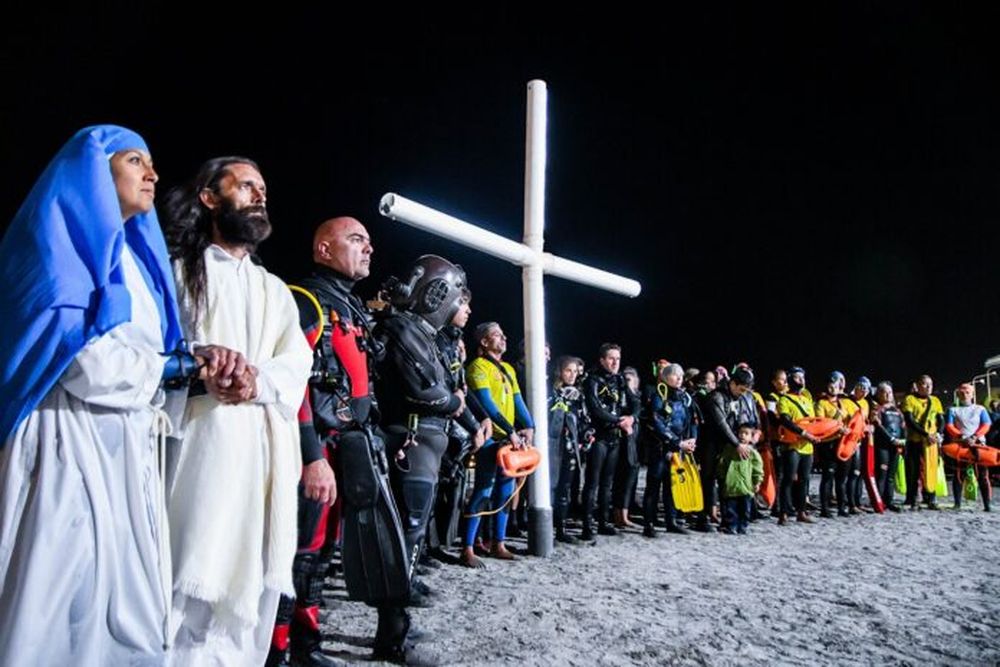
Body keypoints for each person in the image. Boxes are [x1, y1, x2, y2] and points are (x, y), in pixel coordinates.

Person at [0, 126, 234, 664]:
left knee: (123, 596)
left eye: (151, 163)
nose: (152, 174)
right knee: (59, 597)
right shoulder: (56, 247)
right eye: (135, 161)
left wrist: (188, 363)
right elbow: (83, 362)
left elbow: (149, 357)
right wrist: (176, 370)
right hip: (65, 445)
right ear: (94, 174)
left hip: (126, 445)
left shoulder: (135, 261)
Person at [161, 156, 312, 665]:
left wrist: (255, 382)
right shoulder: (176, 274)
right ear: (210, 197)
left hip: (261, 461)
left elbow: (296, 364)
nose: (258, 194)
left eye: (262, 188)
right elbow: (153, 356)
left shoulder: (274, 290)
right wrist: (203, 371)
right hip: (197, 453)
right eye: (245, 185)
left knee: (248, 610)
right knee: (181, 592)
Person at [267, 216, 376, 667]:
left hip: (345, 448)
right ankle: (275, 651)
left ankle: (306, 646)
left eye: (369, 241)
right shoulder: (305, 300)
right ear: (324, 250)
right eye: (356, 239)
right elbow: (293, 386)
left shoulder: (349, 307)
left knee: (321, 554)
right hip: (312, 451)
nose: (368, 248)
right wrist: (312, 457)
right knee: (298, 553)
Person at [375, 255, 481, 661]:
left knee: (411, 538)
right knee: (406, 537)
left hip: (425, 445)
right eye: (457, 297)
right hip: (411, 444)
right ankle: (392, 638)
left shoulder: (420, 332)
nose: (459, 306)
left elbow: (441, 388)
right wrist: (454, 402)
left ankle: (396, 628)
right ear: (440, 294)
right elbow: (428, 391)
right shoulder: (403, 329)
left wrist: (455, 404)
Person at [462, 322, 534, 564]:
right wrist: (512, 429)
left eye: (503, 334)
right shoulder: (477, 367)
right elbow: (486, 404)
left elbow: (518, 400)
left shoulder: (508, 370)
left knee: (505, 490)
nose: (503, 338)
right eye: (496, 335)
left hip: (509, 439)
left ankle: (498, 543)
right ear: (483, 341)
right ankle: (468, 547)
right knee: (483, 489)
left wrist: (529, 425)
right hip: (491, 438)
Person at [582, 343, 639, 541]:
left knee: (608, 483)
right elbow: (595, 408)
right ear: (602, 360)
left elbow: (635, 402)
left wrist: (631, 418)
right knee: (593, 482)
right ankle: (587, 525)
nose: (615, 363)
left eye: (618, 359)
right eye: (611, 358)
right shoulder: (592, 380)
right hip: (599, 437)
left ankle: (604, 521)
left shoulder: (620, 380)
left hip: (615, 436)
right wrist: (619, 421)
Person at [692, 367, 757, 532]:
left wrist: (747, 438)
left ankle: (728, 520)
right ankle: (702, 517)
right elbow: (721, 424)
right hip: (710, 444)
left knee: (725, 482)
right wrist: (737, 444)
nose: (743, 393)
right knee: (707, 480)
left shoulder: (738, 398)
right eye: (741, 389)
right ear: (733, 383)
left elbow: (741, 420)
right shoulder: (716, 396)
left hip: (727, 445)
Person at [642, 363, 697, 537]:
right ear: (665, 377)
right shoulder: (659, 395)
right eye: (674, 375)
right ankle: (648, 524)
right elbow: (656, 421)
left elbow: (693, 420)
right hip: (660, 447)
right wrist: (676, 442)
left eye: (681, 375)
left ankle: (671, 521)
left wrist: (692, 439)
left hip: (679, 447)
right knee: (653, 485)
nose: (679, 378)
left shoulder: (684, 397)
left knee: (672, 485)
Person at [549, 356, 588, 543]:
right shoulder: (550, 391)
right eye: (568, 370)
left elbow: (584, 421)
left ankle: (561, 529)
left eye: (575, 371)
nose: (572, 375)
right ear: (560, 371)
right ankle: (547, 528)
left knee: (566, 487)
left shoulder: (578, 395)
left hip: (571, 447)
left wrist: (587, 434)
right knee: (551, 487)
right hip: (553, 446)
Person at [776, 366, 821, 525]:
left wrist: (818, 435)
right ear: (789, 380)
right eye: (797, 377)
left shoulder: (807, 400)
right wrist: (804, 434)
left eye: (803, 377)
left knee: (804, 480)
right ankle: (783, 514)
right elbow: (785, 421)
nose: (801, 380)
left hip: (807, 446)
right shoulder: (784, 400)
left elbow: (814, 423)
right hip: (792, 445)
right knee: (788, 479)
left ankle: (801, 511)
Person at [945, 383, 992, 511]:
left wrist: (974, 437)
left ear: (972, 394)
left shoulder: (980, 409)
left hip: (979, 444)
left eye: (967, 392)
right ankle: (957, 503)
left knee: (982, 475)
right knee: (959, 474)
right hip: (961, 445)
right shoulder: (952, 410)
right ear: (958, 394)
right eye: (961, 392)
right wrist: (961, 436)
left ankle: (987, 504)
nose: (964, 394)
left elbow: (986, 424)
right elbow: (949, 426)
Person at [901, 375, 945, 510]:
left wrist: (938, 434)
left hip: (931, 442)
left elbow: (940, 419)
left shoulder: (935, 401)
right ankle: (912, 498)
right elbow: (909, 420)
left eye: (930, 384)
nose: (928, 387)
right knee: (913, 470)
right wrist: (925, 434)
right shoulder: (910, 399)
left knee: (931, 469)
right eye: (925, 384)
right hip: (915, 440)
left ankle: (930, 497)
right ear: (918, 385)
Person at [717, 425, 765, 534]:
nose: (742, 435)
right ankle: (731, 526)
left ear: (751, 437)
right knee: (731, 509)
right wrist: (721, 475)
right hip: (731, 485)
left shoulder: (752, 453)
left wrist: (757, 481)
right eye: (741, 433)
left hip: (746, 487)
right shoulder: (729, 449)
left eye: (746, 433)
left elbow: (757, 469)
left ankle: (742, 526)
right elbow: (722, 463)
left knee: (745, 510)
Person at [612, 366, 643, 528]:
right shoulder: (620, 397)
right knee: (622, 477)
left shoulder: (636, 397)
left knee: (631, 476)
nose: (626, 382)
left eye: (629, 379)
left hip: (635, 438)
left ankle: (625, 513)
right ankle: (619, 515)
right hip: (622, 439)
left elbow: (637, 412)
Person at [871, 381, 905, 512]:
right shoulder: (877, 409)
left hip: (895, 446)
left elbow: (903, 427)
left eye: (890, 392)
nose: (887, 395)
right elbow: (878, 427)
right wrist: (891, 439)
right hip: (883, 446)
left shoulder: (897, 410)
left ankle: (888, 501)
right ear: (879, 394)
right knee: (882, 475)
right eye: (884, 392)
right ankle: (878, 502)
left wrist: (903, 440)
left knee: (891, 476)